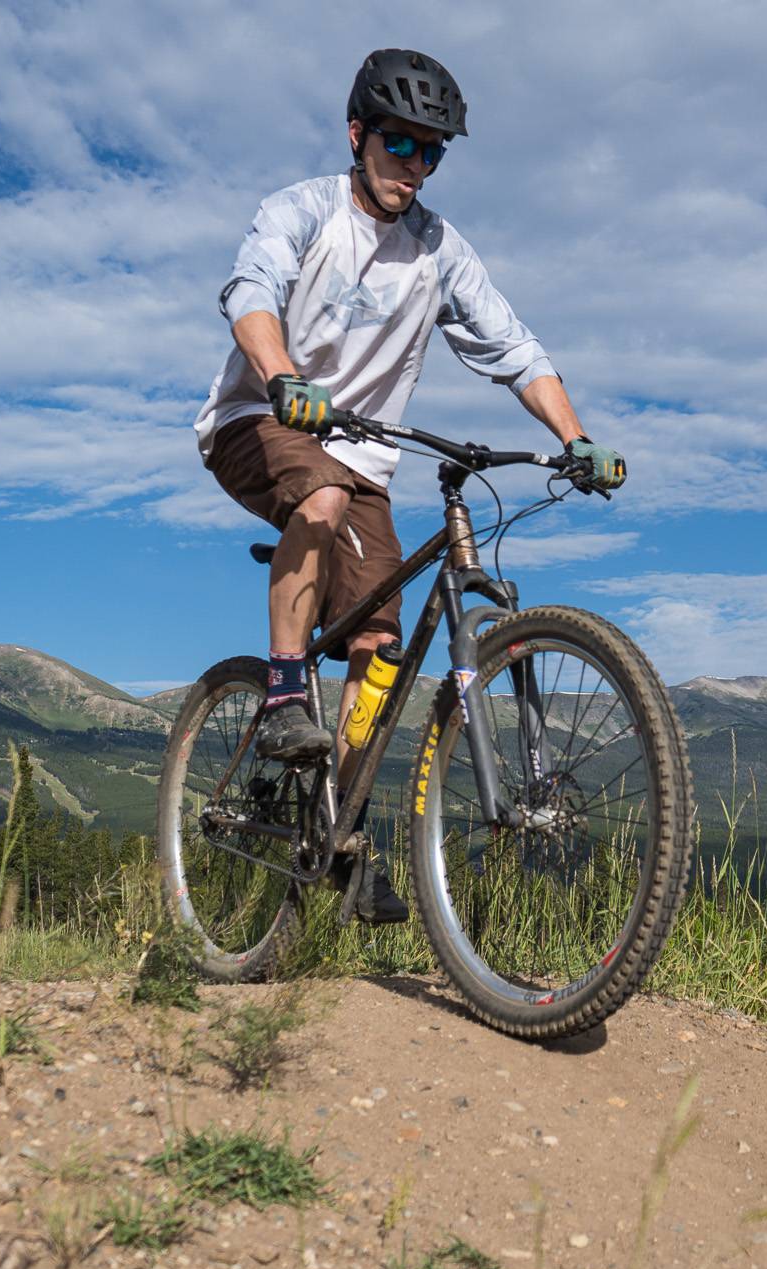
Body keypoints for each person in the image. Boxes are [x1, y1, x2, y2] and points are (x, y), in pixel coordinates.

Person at [194, 48, 624, 921]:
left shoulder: (437, 249)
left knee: (381, 648)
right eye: (399, 143)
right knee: (318, 496)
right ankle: (283, 694)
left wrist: (575, 438)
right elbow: (250, 293)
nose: (414, 165)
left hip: (364, 459)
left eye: (432, 151)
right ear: (358, 134)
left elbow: (514, 348)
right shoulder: (302, 211)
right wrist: (282, 377)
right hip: (259, 419)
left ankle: (339, 833)